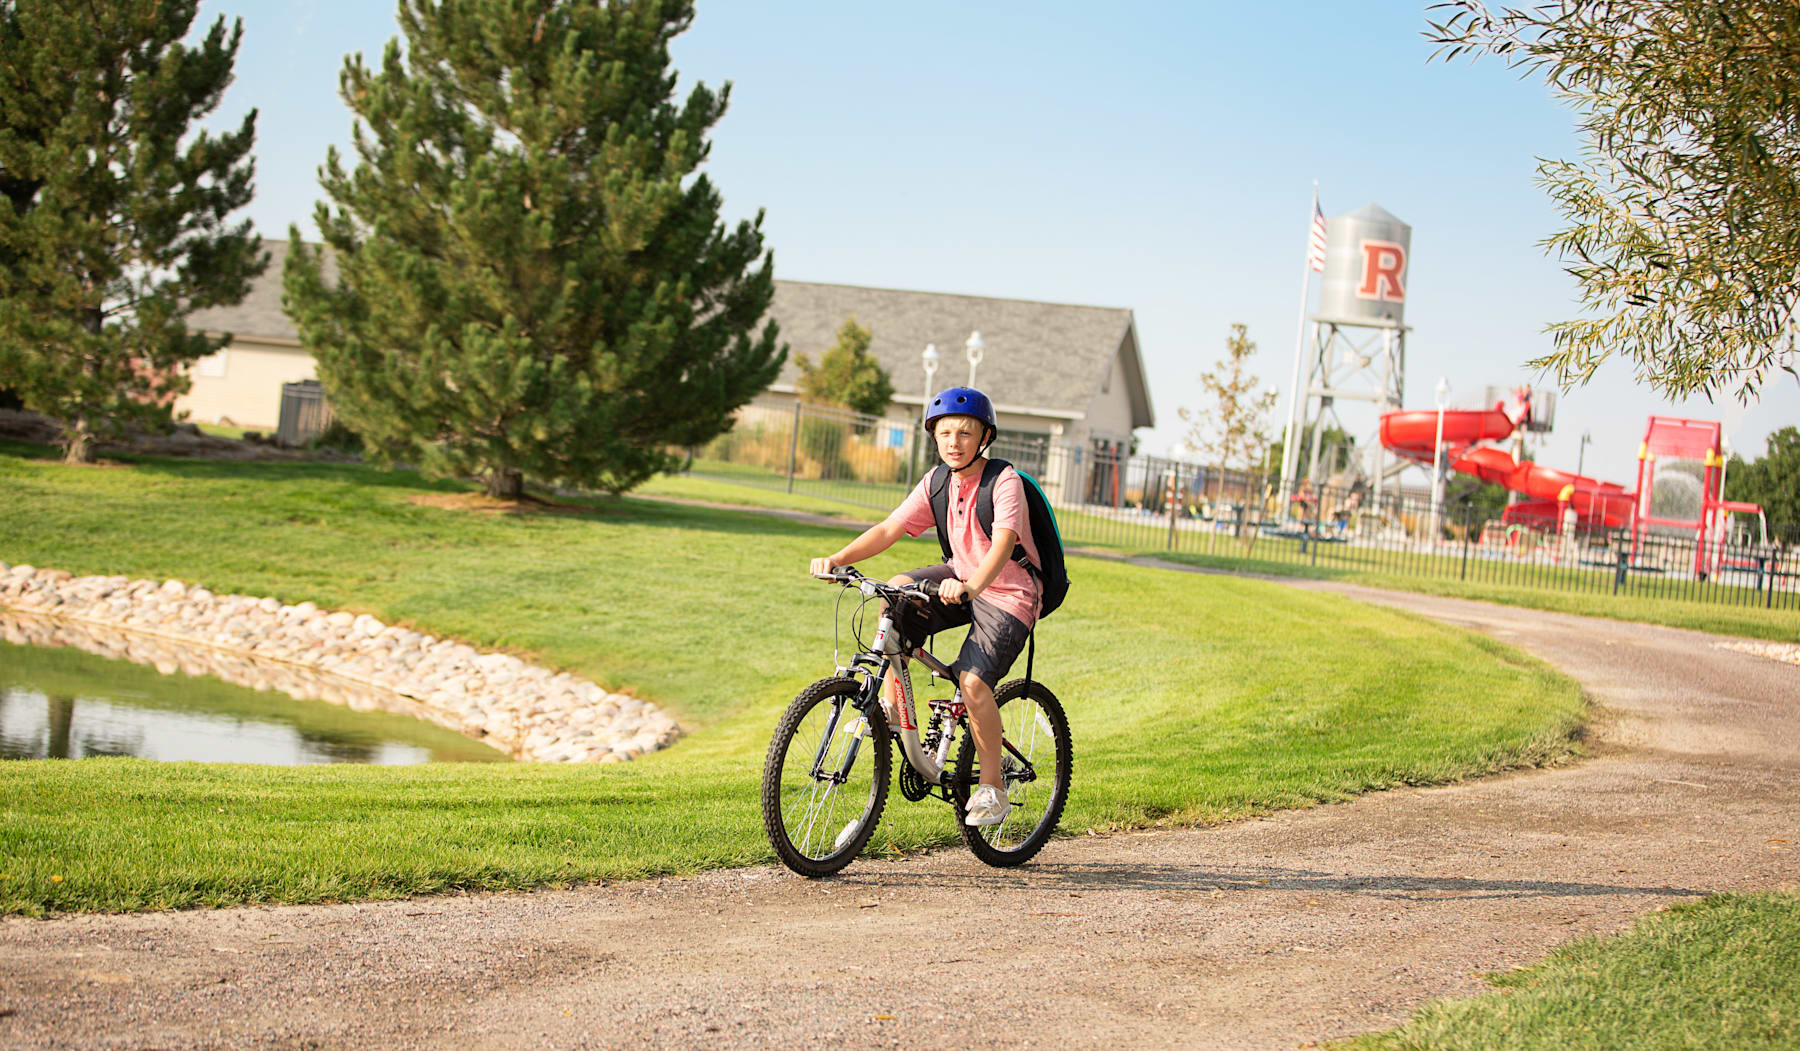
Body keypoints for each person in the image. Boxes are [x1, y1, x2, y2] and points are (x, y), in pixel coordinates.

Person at [808, 386, 1041, 828]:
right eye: (945, 432)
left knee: (973, 682)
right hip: (961, 579)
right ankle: (897, 710)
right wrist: (838, 559)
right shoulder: (936, 481)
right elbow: (889, 528)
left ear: (984, 437)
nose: (954, 441)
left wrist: (971, 586)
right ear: (934, 436)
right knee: (894, 592)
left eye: (965, 433)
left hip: (1008, 593)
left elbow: (1004, 544)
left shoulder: (1003, 481)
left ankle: (992, 789)